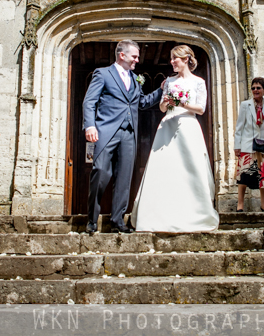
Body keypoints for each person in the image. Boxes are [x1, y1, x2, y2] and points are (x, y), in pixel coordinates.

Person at [130, 45, 219, 233]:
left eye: (174, 59)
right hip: (167, 125)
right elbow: (162, 108)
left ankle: (193, 214)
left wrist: (182, 103)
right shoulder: (169, 81)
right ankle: (159, 215)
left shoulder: (199, 82)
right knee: (165, 169)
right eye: (171, 59)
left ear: (186, 59)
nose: (171, 62)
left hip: (188, 125)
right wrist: (165, 101)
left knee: (189, 169)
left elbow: (201, 109)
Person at [83, 39, 163, 234]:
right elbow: (89, 101)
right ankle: (92, 220)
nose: (137, 60)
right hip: (105, 130)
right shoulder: (103, 74)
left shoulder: (136, 79)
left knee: (124, 178)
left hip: (129, 134)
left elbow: (141, 103)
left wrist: (162, 90)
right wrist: (90, 126)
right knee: (101, 172)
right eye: (134, 56)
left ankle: (117, 220)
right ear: (122, 55)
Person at [233, 77, 264, 212]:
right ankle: (240, 204)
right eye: (253, 88)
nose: (255, 90)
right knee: (244, 175)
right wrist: (237, 146)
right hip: (247, 144)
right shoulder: (245, 105)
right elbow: (239, 127)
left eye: (258, 88)